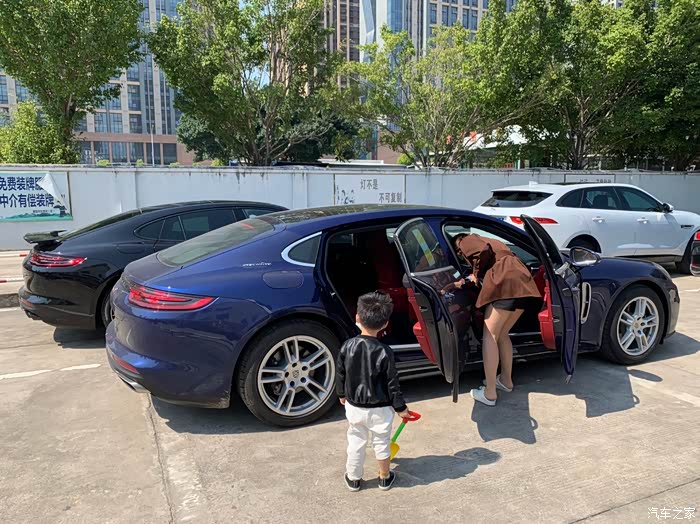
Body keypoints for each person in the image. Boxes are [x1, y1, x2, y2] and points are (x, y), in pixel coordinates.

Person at [454, 233, 541, 406]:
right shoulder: (494, 241)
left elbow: (482, 251)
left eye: (459, 253)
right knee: (502, 334)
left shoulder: (466, 240)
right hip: (522, 281)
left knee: (490, 335)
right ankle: (506, 381)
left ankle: (490, 393)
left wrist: (476, 274)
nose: (461, 255)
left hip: (505, 281)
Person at [336, 292, 411, 492]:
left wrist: (341, 394)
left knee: (356, 441)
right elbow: (392, 384)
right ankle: (384, 477)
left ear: (357, 318)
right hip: (381, 409)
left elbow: (340, 373)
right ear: (385, 324)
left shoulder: (347, 346)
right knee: (382, 442)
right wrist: (401, 408)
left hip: (354, 406)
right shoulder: (385, 351)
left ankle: (354, 479)